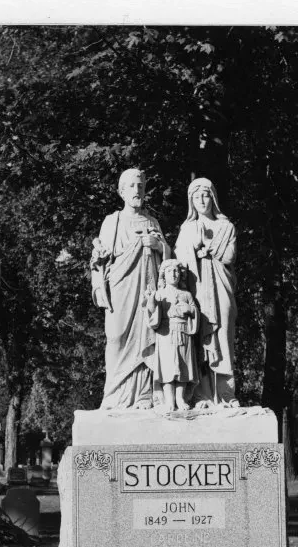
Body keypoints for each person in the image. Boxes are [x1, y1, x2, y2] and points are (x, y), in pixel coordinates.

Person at [90, 168, 171, 409]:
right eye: (132, 186)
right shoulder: (112, 221)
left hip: (147, 289)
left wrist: (158, 246)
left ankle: (145, 394)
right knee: (115, 337)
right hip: (121, 287)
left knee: (149, 337)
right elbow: (100, 259)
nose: (137, 191)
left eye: (141, 186)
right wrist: (98, 256)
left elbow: (169, 261)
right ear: (121, 191)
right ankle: (114, 395)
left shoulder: (152, 221)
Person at [174, 177, 238, 407]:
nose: (202, 200)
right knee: (199, 342)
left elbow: (230, 256)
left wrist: (208, 249)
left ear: (213, 197)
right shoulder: (188, 228)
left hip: (222, 291)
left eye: (206, 195)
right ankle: (203, 395)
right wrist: (194, 247)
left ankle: (226, 395)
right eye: (197, 196)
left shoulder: (226, 227)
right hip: (197, 290)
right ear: (191, 201)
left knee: (224, 341)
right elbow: (179, 261)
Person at [144, 259, 199, 412]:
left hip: (184, 332)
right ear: (163, 275)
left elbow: (195, 312)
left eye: (176, 271)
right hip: (165, 333)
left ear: (180, 275)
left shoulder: (186, 294)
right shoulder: (160, 294)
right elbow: (152, 314)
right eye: (169, 271)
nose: (173, 274)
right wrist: (150, 300)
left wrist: (190, 309)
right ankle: (169, 400)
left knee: (183, 366)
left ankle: (180, 399)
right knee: (168, 368)